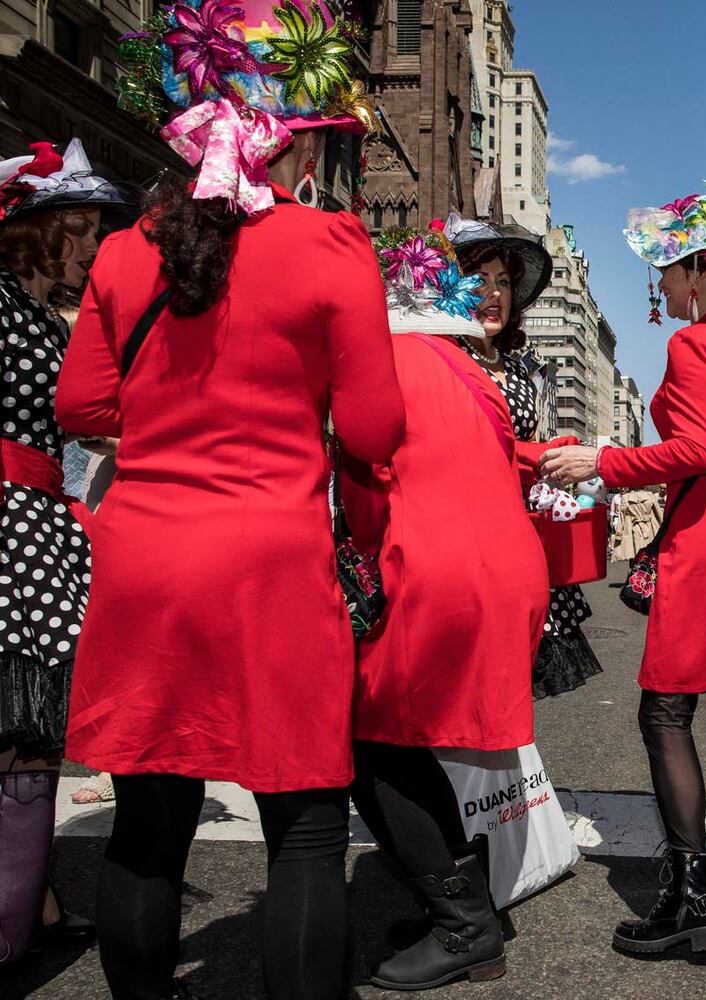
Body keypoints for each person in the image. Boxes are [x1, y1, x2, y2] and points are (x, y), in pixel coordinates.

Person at [55, 6, 399, 997]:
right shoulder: (328, 246)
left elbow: (81, 403)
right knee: (301, 827)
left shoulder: (128, 249)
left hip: (144, 565)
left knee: (148, 824)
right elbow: (375, 433)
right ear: (284, 137)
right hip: (271, 565)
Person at [539, 176, 706, 953]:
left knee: (666, 712)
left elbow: (693, 451)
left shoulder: (691, 344)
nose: (662, 282)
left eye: (669, 267)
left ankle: (690, 895)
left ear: (705, 269)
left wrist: (601, 459)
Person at [339, 224, 553, 990]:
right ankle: (465, 913)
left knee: (376, 747)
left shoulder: (386, 360)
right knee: (411, 742)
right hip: (497, 573)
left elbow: (365, 500)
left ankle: (463, 923)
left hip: (438, 576)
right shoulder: (469, 368)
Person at [0, 138, 118, 965]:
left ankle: (29, 902)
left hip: (37, 517)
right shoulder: (4, 304)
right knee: (22, 730)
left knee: (31, 728)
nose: (89, 245)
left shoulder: (42, 314)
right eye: (79, 227)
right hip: (13, 526)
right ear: (39, 230)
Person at [448, 215, 603, 700]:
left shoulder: (517, 365)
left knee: (511, 694)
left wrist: (556, 462)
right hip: (463, 542)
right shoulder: (440, 355)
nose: (494, 294)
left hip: (519, 539)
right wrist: (541, 455)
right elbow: (461, 447)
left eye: (504, 283)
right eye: (479, 281)